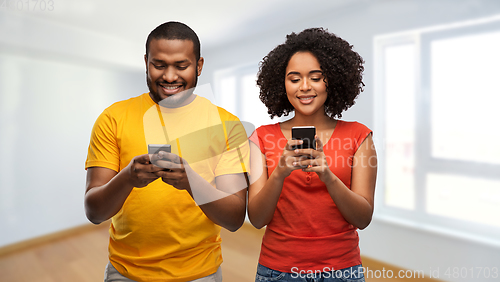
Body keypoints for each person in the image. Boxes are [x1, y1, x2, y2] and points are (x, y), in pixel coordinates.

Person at [84, 21, 249, 282]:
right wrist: (127, 178)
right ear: (146, 62)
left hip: (200, 273)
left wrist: (191, 182)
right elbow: (94, 213)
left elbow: (234, 218)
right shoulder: (113, 118)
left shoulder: (227, 126)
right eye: (159, 65)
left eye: (181, 66)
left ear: (199, 65)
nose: (169, 77)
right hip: (126, 272)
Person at [248, 28, 377, 281]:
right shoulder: (261, 138)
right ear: (281, 83)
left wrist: (328, 176)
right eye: (294, 79)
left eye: (315, 78)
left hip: (342, 271)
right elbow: (256, 219)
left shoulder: (359, 136)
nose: (304, 87)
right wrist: (279, 174)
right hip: (277, 271)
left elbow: (362, 218)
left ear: (333, 79)